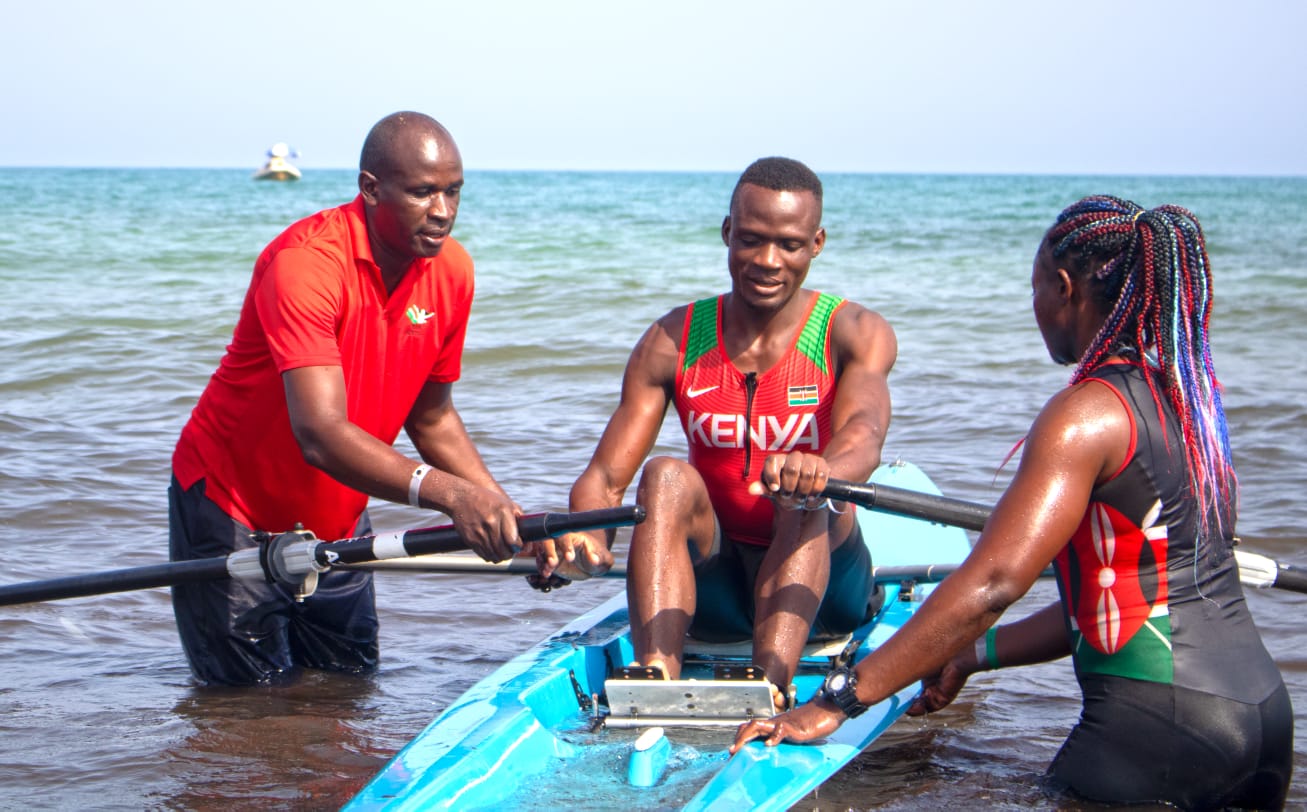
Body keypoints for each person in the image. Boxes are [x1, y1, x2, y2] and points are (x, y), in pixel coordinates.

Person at [733, 196, 1293, 809]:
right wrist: (972, 656)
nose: (1035, 309)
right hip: (1262, 720)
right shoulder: (1190, 408)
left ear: (1063, 288)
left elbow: (995, 581)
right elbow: (1121, 600)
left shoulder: (1086, 414)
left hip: (1158, 730)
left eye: (1035, 291)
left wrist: (837, 701)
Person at [169, 112, 522, 687]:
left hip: (338, 518)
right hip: (230, 506)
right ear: (370, 188)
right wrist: (451, 496)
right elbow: (321, 433)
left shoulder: (452, 270)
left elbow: (431, 417)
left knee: (347, 693)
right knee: (245, 715)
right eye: (422, 192)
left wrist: (502, 512)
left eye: (453, 191)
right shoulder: (305, 264)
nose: (443, 211)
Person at [539, 157, 898, 704]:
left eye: (790, 245)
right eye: (751, 240)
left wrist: (822, 470)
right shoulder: (671, 339)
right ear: (727, 232)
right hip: (719, 587)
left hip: (826, 590)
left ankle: (769, 685)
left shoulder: (852, 332)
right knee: (664, 476)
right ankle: (656, 678)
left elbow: (864, 434)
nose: (768, 261)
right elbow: (605, 480)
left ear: (817, 243)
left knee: (804, 496)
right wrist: (585, 538)